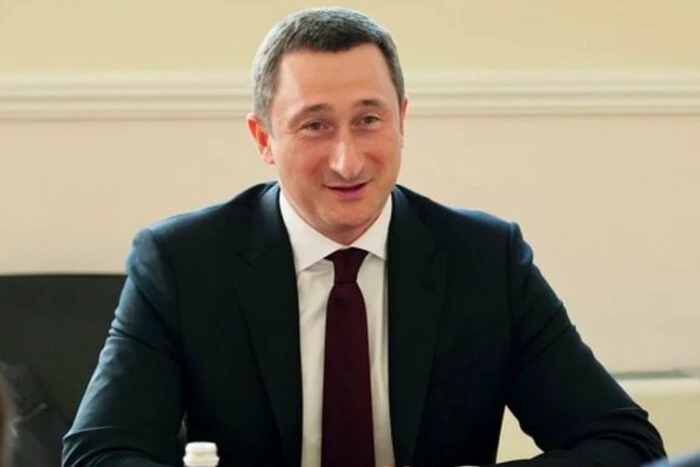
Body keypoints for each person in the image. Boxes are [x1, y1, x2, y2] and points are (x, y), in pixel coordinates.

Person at [62, 6, 666, 467]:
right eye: (315, 126)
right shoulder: (182, 264)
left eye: (369, 120)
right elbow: (100, 453)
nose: (347, 161)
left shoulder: (486, 260)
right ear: (263, 139)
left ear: (403, 120)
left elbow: (622, 441)